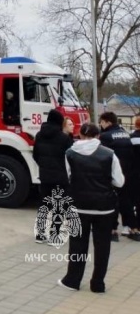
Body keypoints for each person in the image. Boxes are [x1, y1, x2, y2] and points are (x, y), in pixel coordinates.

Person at [58, 123, 124, 293]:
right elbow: (119, 181)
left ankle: (72, 281)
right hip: (104, 207)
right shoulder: (109, 154)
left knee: (77, 244)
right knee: (102, 246)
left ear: (79, 134)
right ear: (98, 136)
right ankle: (98, 283)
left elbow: (67, 177)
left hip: (78, 205)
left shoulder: (70, 153)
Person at [33, 109, 74, 242]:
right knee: (58, 207)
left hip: (44, 176)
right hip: (60, 177)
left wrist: (43, 166)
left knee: (44, 205)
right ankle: (54, 234)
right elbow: (70, 157)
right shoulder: (64, 138)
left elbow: (35, 155)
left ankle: (40, 234)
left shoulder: (39, 135)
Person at [98, 112, 135, 242]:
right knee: (126, 200)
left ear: (107, 122)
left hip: (112, 173)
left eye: (101, 122)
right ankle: (132, 228)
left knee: (112, 201)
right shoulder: (125, 134)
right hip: (127, 173)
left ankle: (113, 230)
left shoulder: (105, 136)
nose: (100, 125)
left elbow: (102, 155)